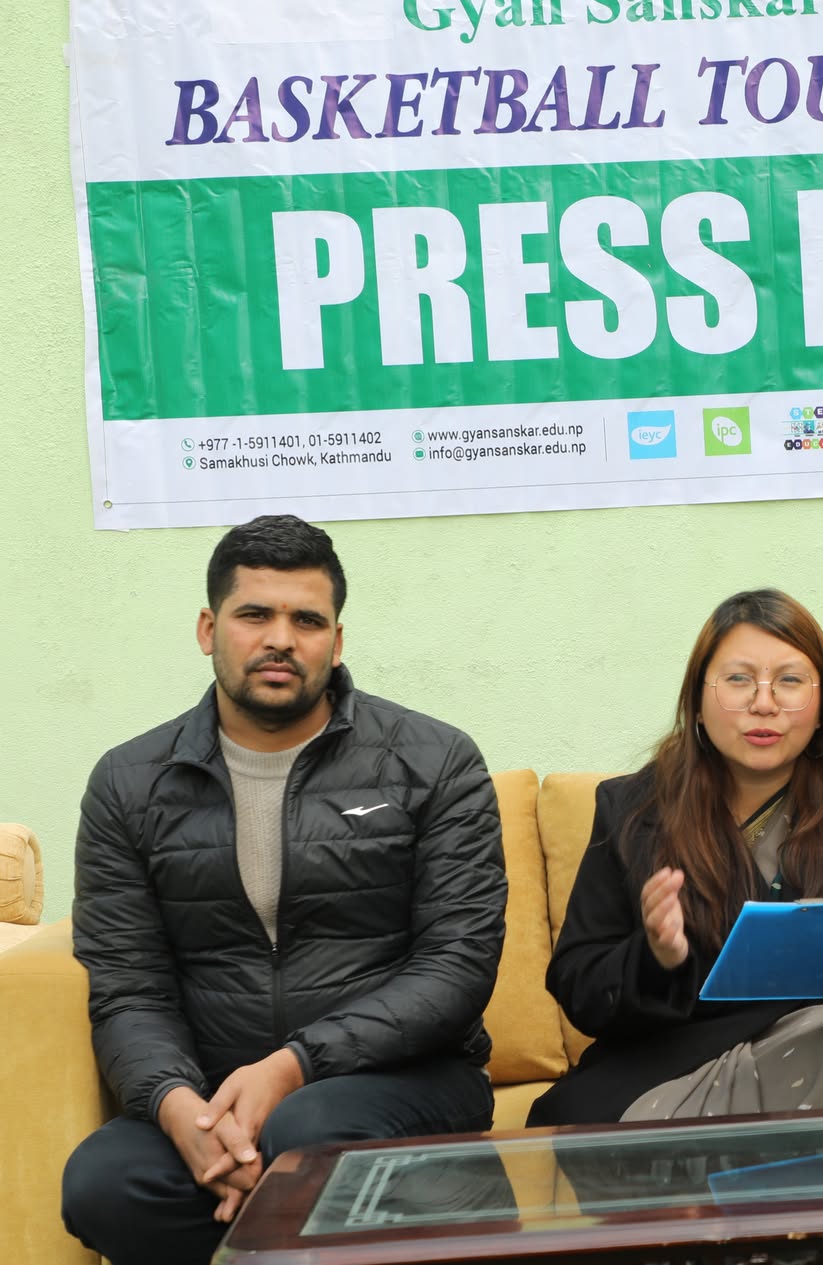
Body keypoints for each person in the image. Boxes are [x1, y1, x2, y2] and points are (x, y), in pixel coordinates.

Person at [61, 515, 507, 1265]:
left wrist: (293, 1066)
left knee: (308, 1135)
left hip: (401, 1079)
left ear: (337, 640)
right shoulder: (128, 783)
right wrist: (182, 1112)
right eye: (254, 615)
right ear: (209, 629)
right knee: (103, 1182)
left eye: (307, 620)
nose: (281, 639)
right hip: (212, 1088)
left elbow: (456, 967)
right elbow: (128, 989)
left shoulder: (435, 761)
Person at [528, 589, 823, 1126]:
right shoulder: (635, 810)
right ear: (697, 700)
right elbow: (579, 982)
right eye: (739, 680)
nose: (764, 703)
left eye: (789, 681)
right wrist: (654, 957)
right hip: (685, 1063)